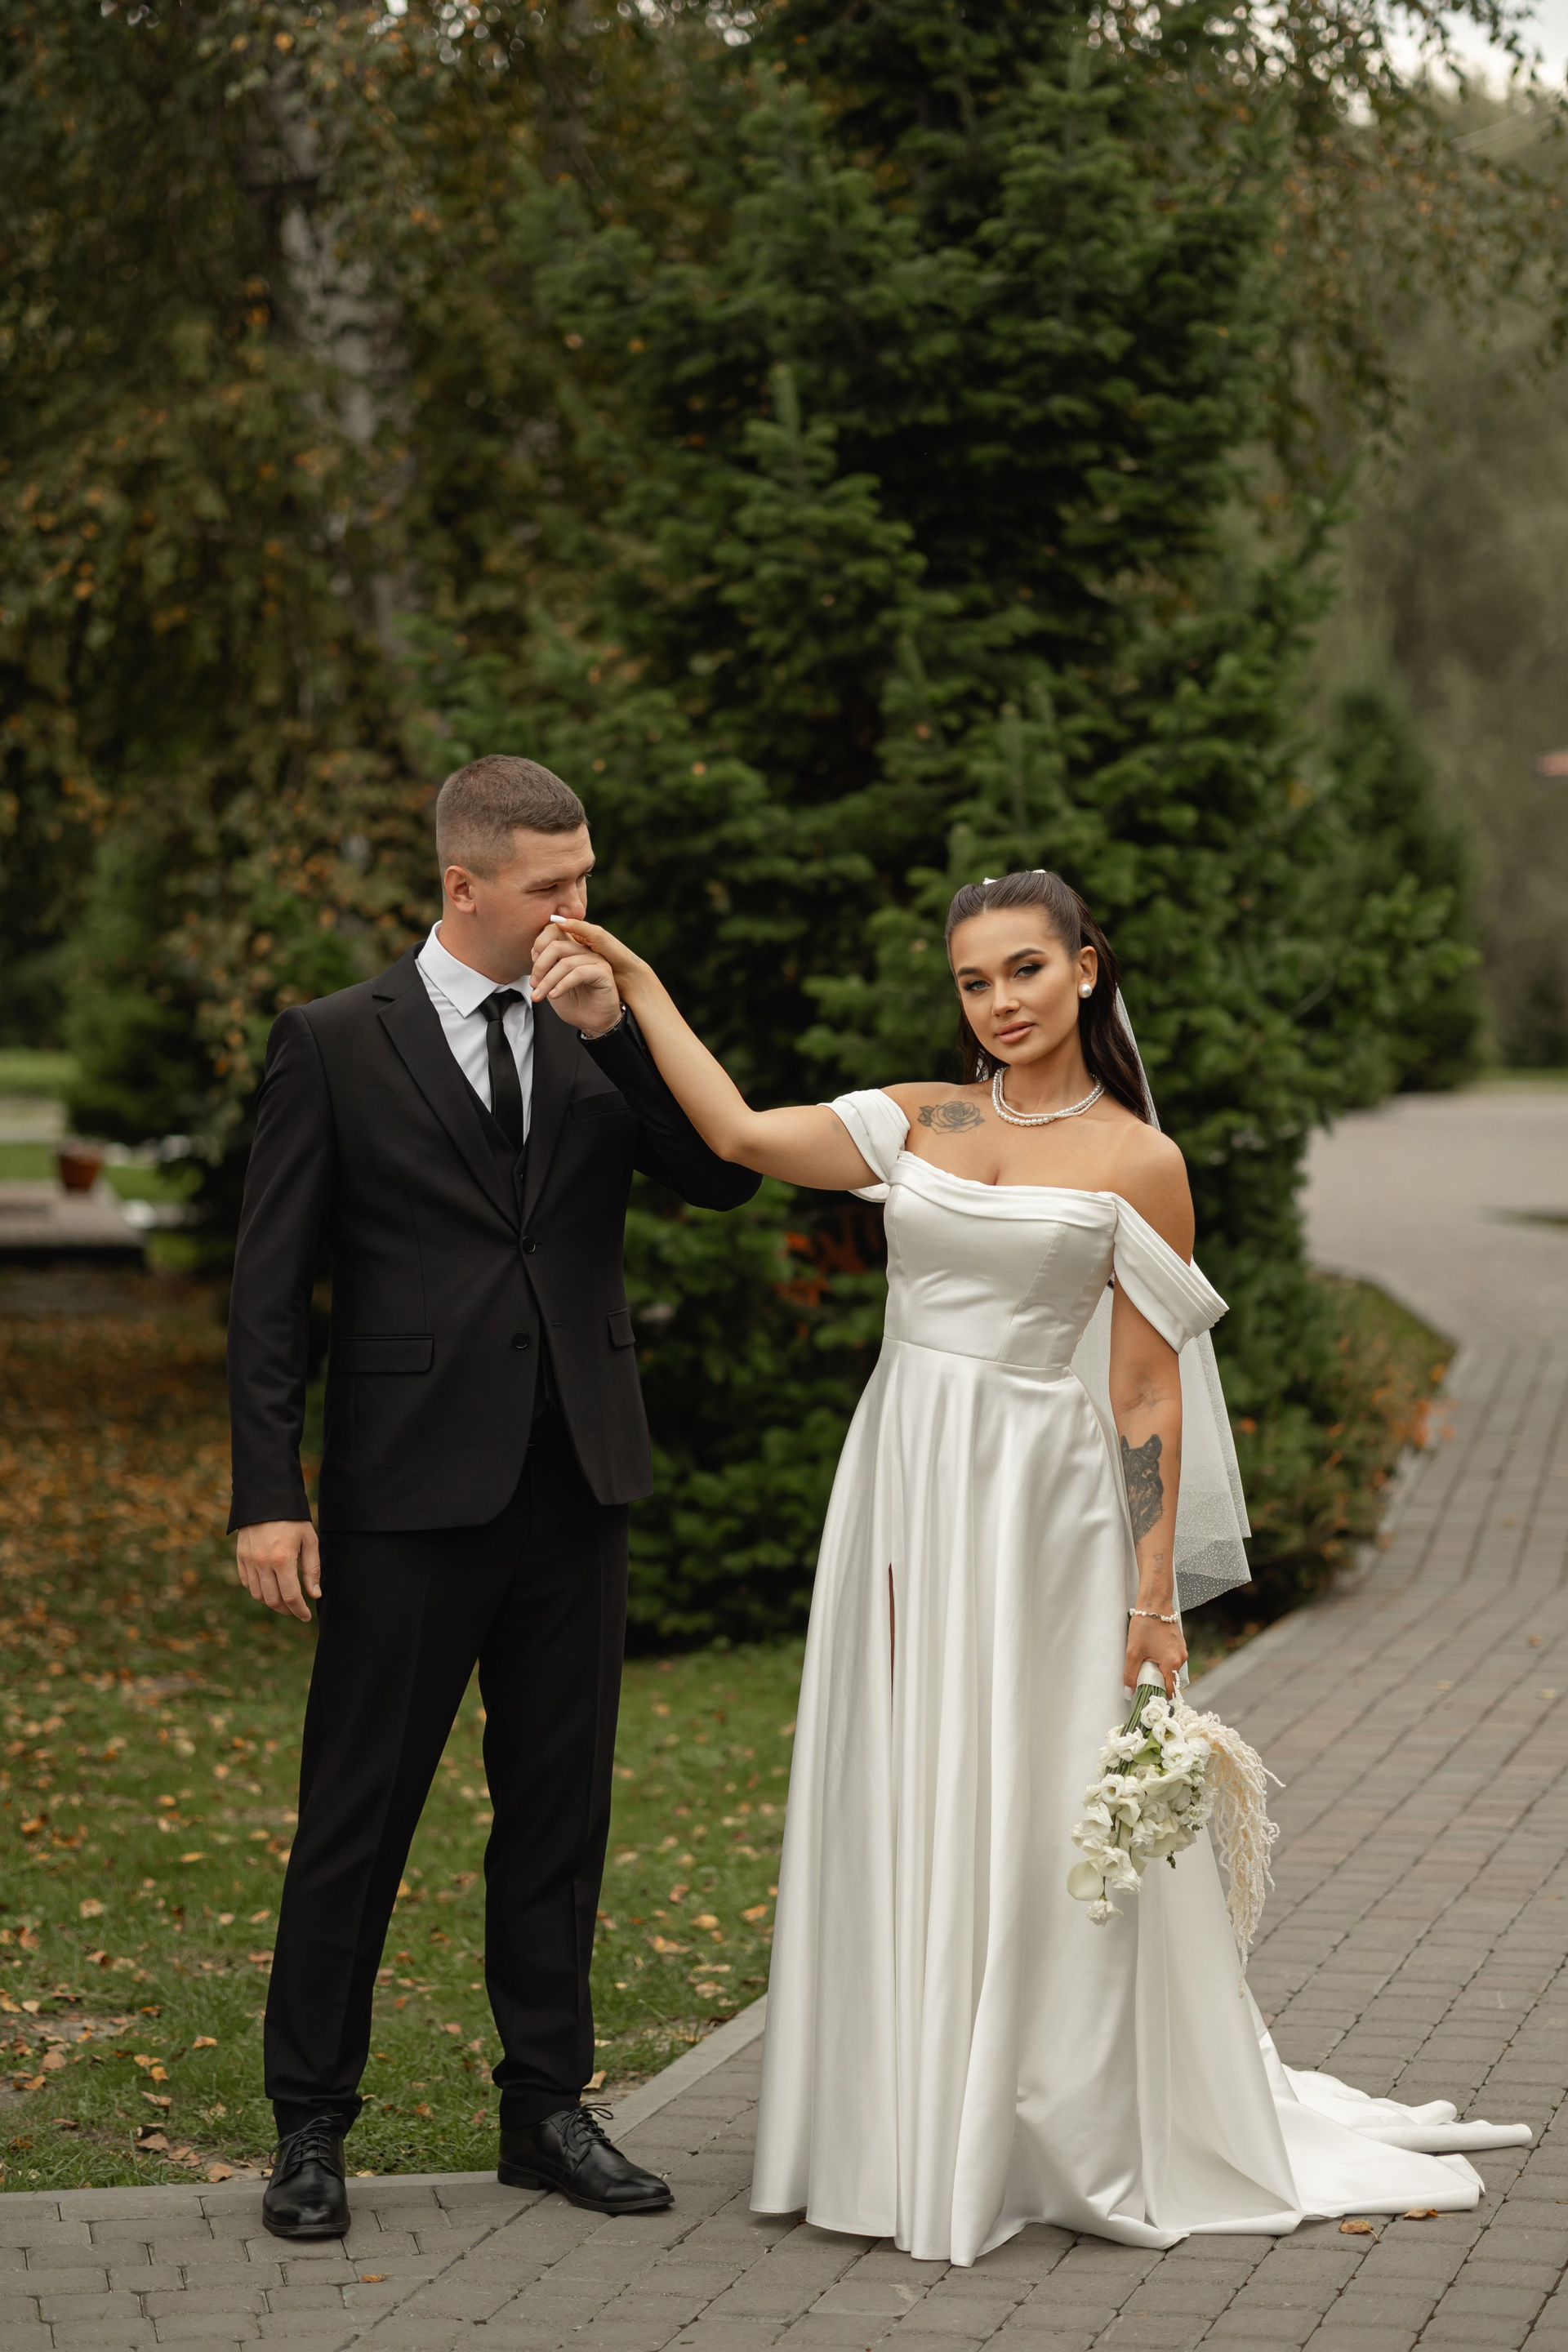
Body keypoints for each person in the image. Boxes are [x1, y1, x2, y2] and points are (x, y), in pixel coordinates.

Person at [536, 867, 1530, 2265]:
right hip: (903, 1478)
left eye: (1024, 970)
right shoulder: (921, 1118)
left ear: (1084, 969)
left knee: (1034, 1787)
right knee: (904, 1768)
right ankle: (896, 2115)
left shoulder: (1138, 1160)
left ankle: (1033, 2119)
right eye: (973, 981)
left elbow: (1144, 1389)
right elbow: (743, 1135)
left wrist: (1151, 1596)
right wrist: (638, 991)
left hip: (1044, 1506)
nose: (999, 1002)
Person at [226, 755, 760, 2240]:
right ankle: (310, 2126)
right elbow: (268, 1291)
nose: (578, 908)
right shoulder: (334, 1041)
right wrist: (268, 1495)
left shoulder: (595, 1022)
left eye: (586, 878)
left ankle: (545, 2110)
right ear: (464, 886)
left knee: (557, 1816)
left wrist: (624, 1036)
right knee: (358, 1816)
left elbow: (721, 1178)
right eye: (551, 886)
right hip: (404, 1493)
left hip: (577, 1480)